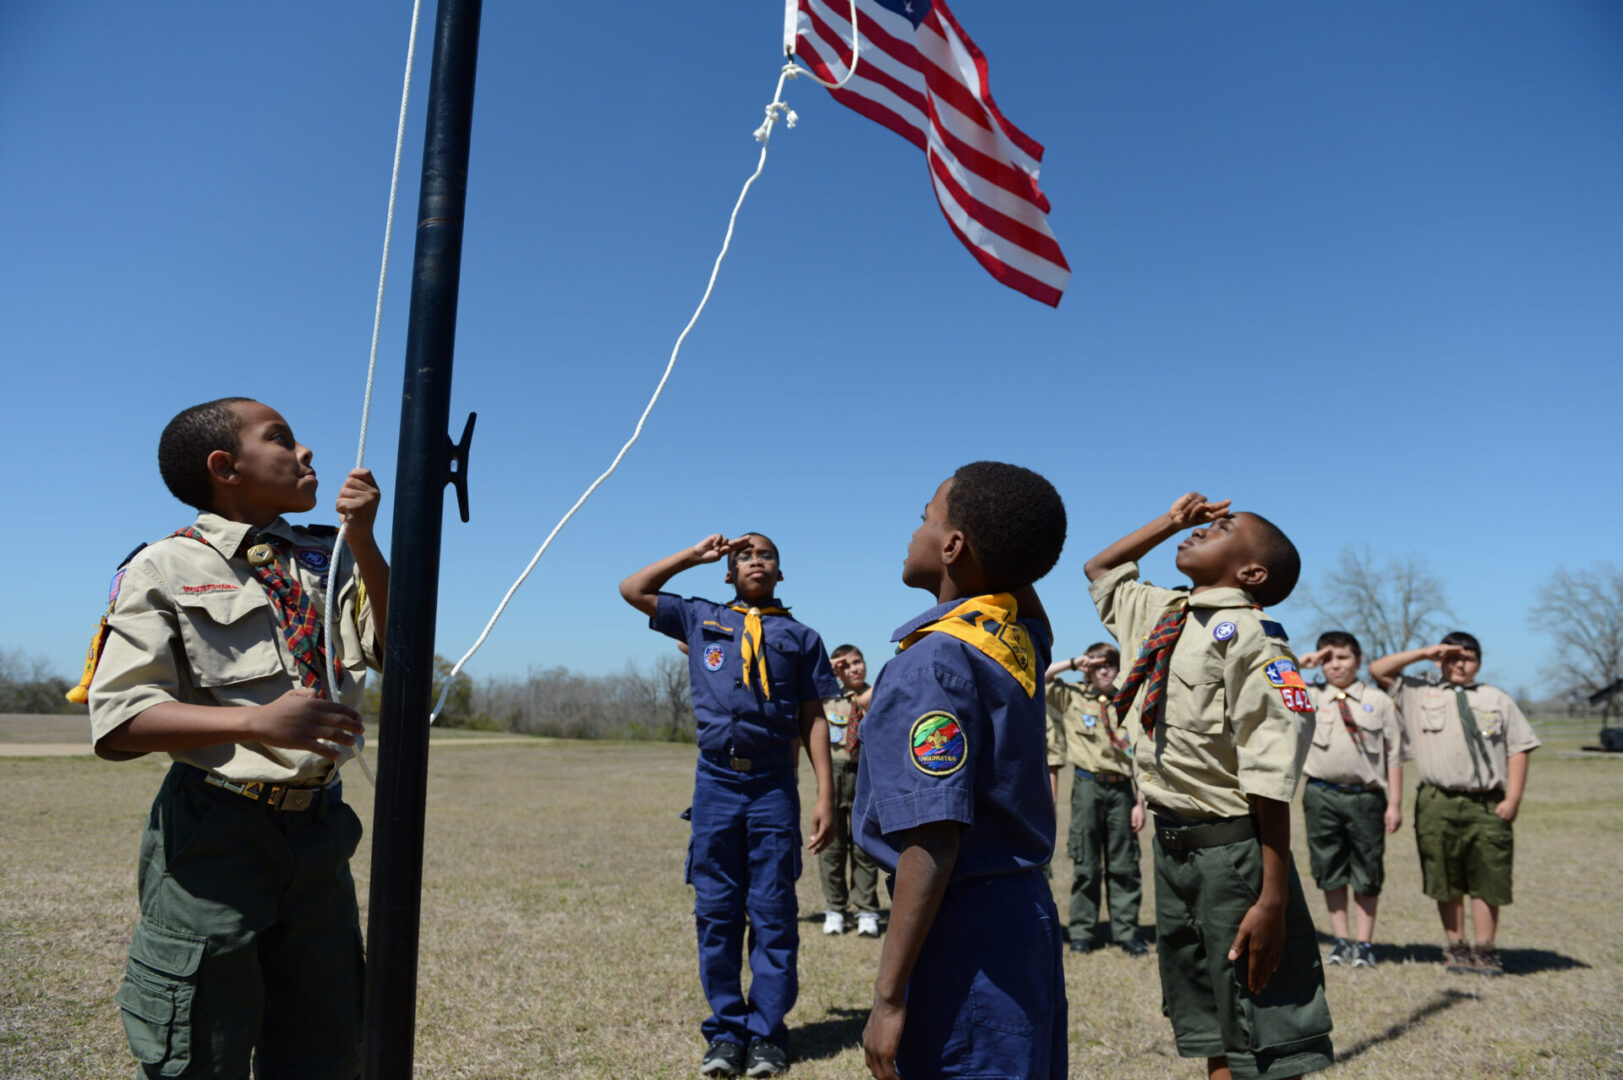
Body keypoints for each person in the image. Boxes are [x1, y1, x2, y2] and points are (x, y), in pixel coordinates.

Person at [82, 397, 386, 1079]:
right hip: (215, 830)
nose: (306, 451)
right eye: (280, 438)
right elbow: (119, 719)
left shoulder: (324, 557)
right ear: (226, 467)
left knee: (327, 1041)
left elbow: (397, 645)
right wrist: (256, 720)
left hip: (317, 831)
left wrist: (363, 539)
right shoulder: (164, 566)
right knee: (201, 1048)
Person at [1084, 493, 1333, 1080]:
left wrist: (1272, 899)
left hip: (1233, 855)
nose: (1201, 531)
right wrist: (1171, 522)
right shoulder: (1163, 613)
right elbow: (1101, 569)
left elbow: (1270, 782)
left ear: (1251, 573)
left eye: (1221, 528)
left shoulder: (1255, 641)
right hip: (1173, 849)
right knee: (1208, 1023)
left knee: (1263, 1028)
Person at [853, 461, 1068, 1080]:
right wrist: (1011, 553)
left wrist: (889, 996)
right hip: (1022, 913)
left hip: (962, 926)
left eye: (926, 518)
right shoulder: (1015, 644)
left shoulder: (933, 663)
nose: (914, 530)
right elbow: (1031, 611)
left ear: (952, 546)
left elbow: (933, 838)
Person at [620, 532, 839, 1078]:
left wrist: (826, 795)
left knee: (773, 914)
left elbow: (813, 718)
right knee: (716, 913)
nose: (757, 562)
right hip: (716, 783)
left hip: (772, 786)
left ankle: (766, 1035)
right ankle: (725, 1031)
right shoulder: (701, 619)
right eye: (746, 556)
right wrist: (695, 555)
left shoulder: (801, 636)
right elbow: (633, 589)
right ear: (728, 571)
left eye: (767, 556)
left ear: (780, 573)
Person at [1369, 633, 1538, 978]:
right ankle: (1457, 946)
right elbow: (1378, 669)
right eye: (1452, 657)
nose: (1461, 664)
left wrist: (1513, 799)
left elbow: (1518, 748)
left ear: (1480, 662)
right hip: (1437, 800)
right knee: (1444, 874)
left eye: (1469, 658)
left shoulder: (1497, 698)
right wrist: (1426, 653)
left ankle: (1486, 948)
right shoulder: (1417, 692)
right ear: (1439, 660)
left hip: (1486, 802)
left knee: (1488, 874)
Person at [1295, 631, 1403, 970]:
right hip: (1321, 794)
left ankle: (1365, 942)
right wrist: (1300, 663)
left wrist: (1395, 803)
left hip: (1366, 796)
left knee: (1367, 870)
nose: (1334, 665)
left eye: (1342, 657)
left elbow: (1394, 756)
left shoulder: (1379, 701)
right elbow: (1266, 685)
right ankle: (1340, 940)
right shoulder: (1307, 695)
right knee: (1329, 868)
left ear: (1358, 660)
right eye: (1326, 658)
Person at [1044, 642, 1147, 956]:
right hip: (1087, 787)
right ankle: (1082, 932)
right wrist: (1075, 663)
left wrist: (1139, 802)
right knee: (1086, 864)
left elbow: (1142, 754)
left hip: (1122, 790)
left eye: (1111, 665)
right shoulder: (1073, 696)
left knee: (1124, 865)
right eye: (1098, 666)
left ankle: (1127, 931)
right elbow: (1040, 677)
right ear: (1089, 670)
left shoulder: (1129, 701)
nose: (1105, 671)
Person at [821, 644, 883, 937]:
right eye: (847, 666)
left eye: (859, 662)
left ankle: (866, 910)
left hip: (865, 773)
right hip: (833, 773)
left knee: (863, 845)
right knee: (832, 846)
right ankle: (835, 908)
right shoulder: (828, 697)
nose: (855, 668)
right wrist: (828, 671)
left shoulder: (876, 696)